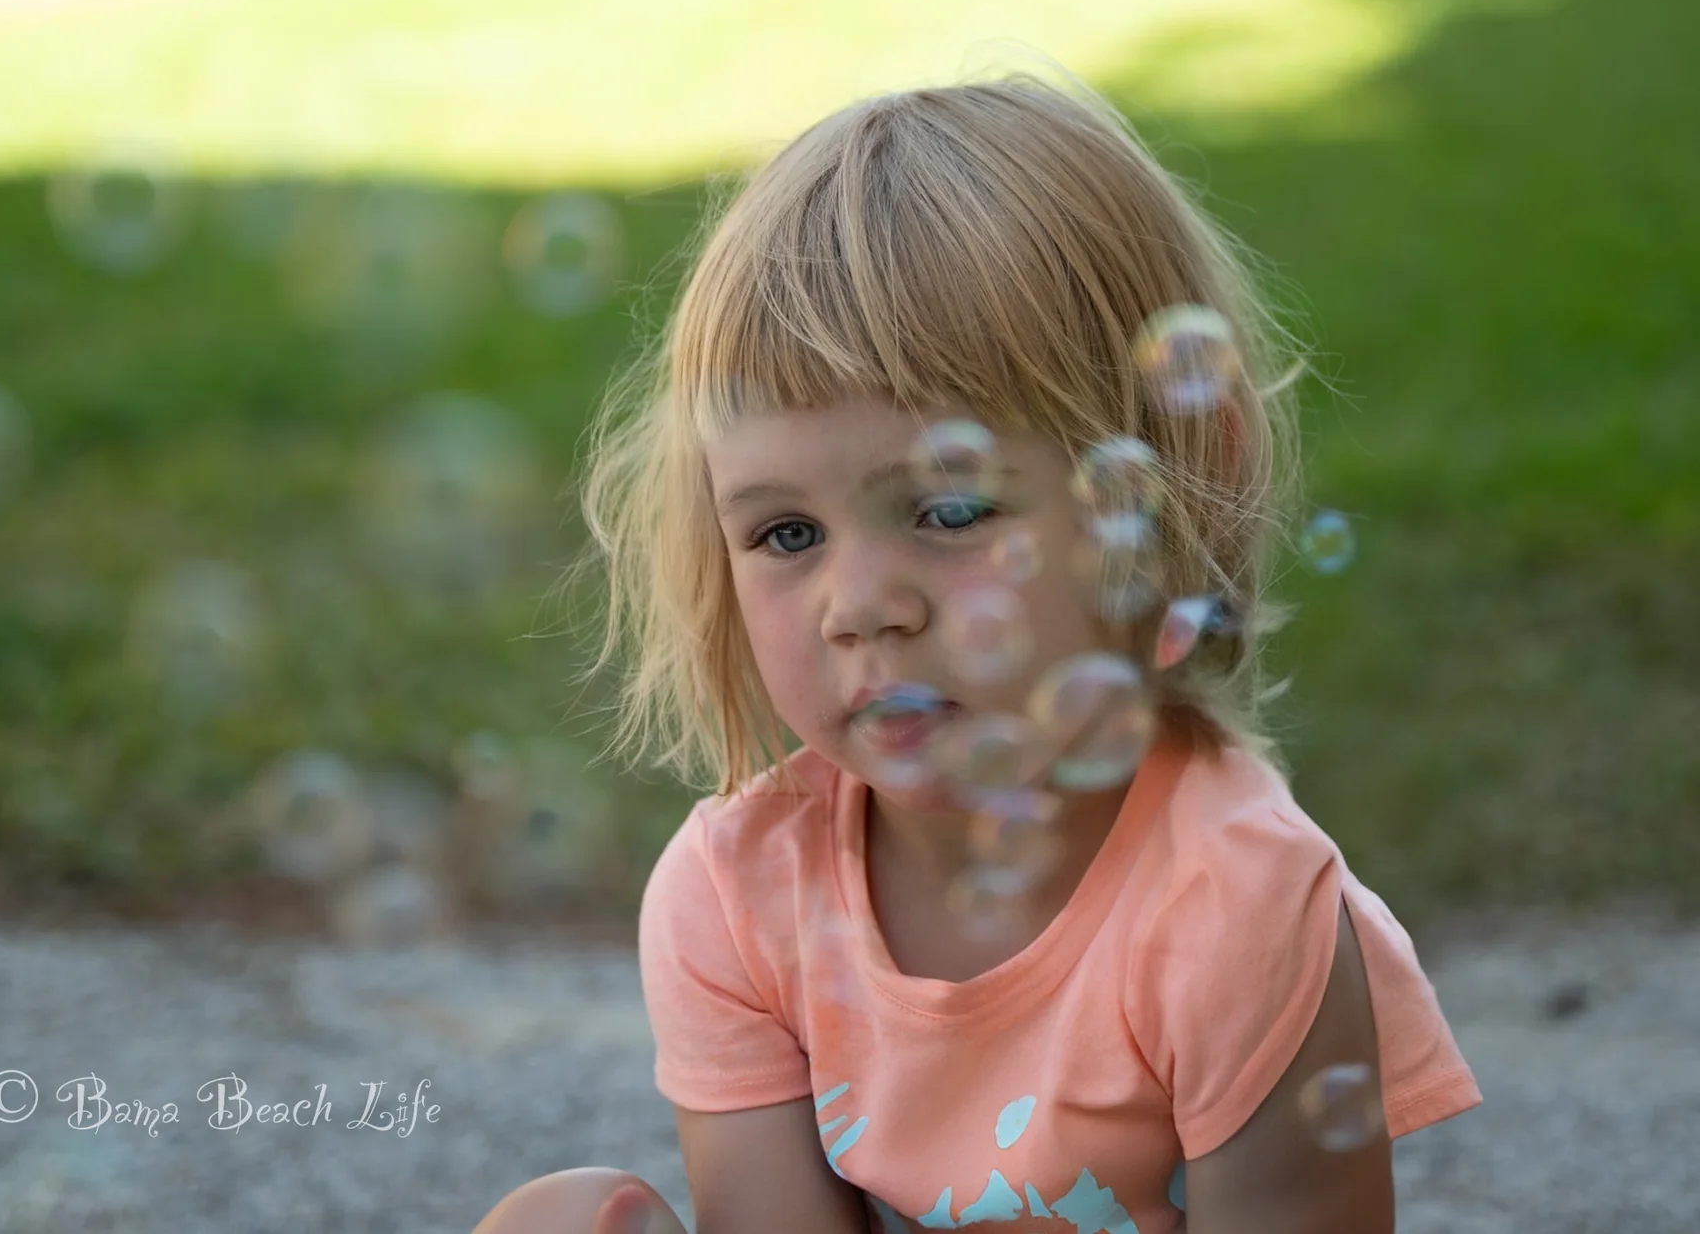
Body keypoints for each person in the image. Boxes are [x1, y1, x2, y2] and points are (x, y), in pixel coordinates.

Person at [470, 63, 1480, 1234]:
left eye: (950, 511)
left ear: (1160, 489)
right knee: (560, 1220)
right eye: (785, 532)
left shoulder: (1235, 906)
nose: (862, 605)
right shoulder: (736, 893)